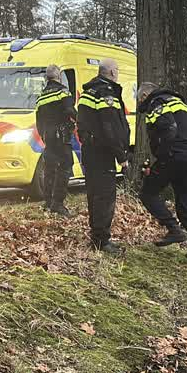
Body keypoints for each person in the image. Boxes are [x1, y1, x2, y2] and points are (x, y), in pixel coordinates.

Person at [137, 82, 187, 266]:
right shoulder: (180, 104)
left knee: (147, 193)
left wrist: (162, 158)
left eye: (139, 99)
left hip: (173, 157)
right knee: (186, 207)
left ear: (145, 96)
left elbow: (168, 129)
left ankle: (173, 228)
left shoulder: (156, 103)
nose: (140, 103)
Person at [77, 58, 130, 254]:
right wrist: (121, 155)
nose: (118, 73)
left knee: (94, 195)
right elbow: (111, 128)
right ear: (111, 73)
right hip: (103, 153)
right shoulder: (106, 94)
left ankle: (97, 236)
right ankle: (102, 240)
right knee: (105, 197)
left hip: (90, 152)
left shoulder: (87, 92)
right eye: (117, 69)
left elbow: (82, 124)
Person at [35, 64, 76, 217]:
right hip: (62, 135)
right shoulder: (63, 91)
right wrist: (81, 122)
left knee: (49, 169)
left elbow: (38, 121)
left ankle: (47, 202)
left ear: (47, 78)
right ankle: (58, 203)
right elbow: (70, 110)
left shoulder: (41, 96)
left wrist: (44, 136)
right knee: (65, 167)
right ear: (59, 76)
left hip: (48, 137)